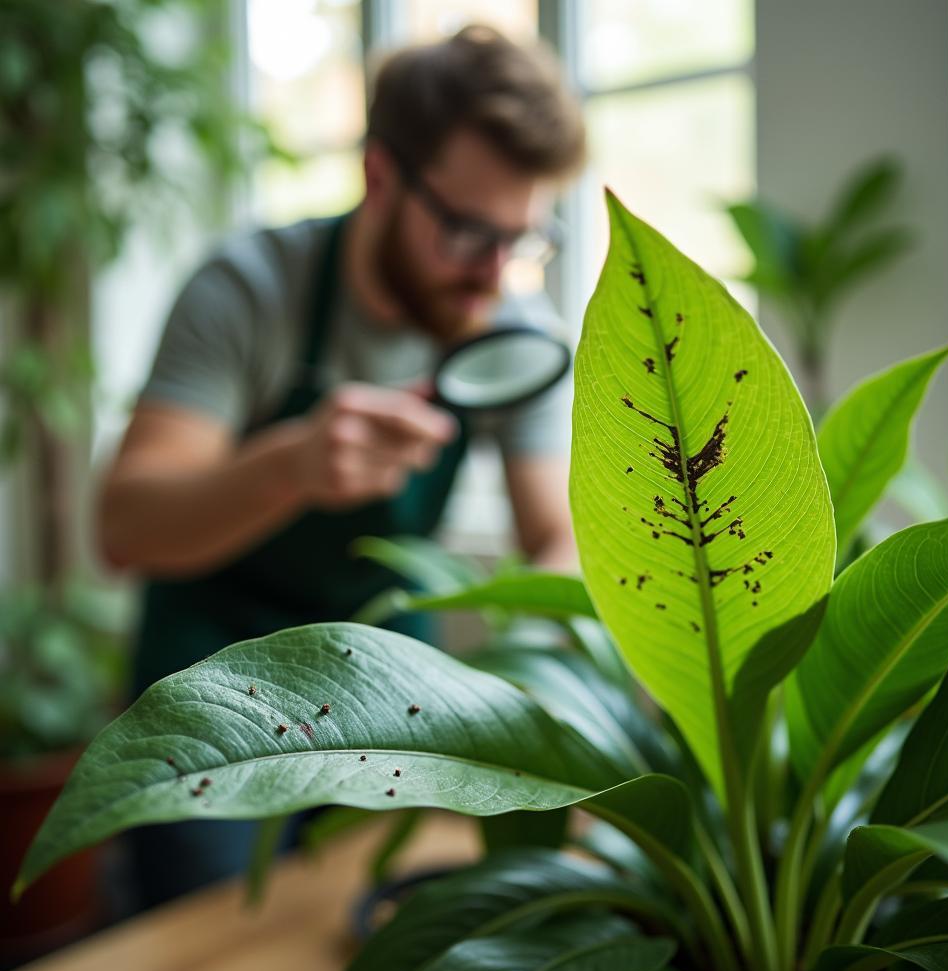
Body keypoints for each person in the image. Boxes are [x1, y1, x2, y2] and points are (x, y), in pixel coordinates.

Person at [97, 25, 586, 908]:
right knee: (213, 942)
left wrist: (524, 680)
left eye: (520, 240)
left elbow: (559, 540)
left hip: (388, 671)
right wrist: (289, 466)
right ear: (379, 176)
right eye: (467, 232)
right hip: (215, 672)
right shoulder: (249, 290)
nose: (492, 276)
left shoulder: (514, 334)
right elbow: (125, 528)